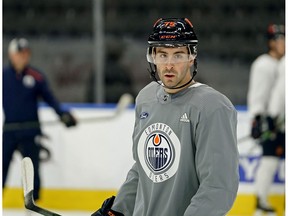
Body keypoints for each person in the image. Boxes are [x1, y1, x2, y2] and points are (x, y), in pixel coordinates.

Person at [92, 18, 239, 216]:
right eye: (162, 55)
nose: (169, 65)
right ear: (153, 57)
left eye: (177, 55)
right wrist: (118, 210)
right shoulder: (146, 97)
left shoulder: (212, 107)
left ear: (191, 57)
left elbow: (218, 187)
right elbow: (142, 170)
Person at [3, 38, 77, 201]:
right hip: (9, 130)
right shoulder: (4, 77)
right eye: (19, 54)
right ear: (12, 55)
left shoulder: (36, 77)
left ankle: (33, 205)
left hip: (30, 130)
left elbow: (50, 99)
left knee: (32, 171)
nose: (23, 57)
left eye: (25, 54)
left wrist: (62, 115)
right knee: (2, 169)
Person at [247, 24, 285, 214]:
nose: (284, 43)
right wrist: (258, 118)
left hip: (281, 122)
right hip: (269, 121)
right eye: (280, 39)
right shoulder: (263, 64)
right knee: (269, 159)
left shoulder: (283, 63)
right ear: (271, 42)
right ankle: (261, 200)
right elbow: (257, 94)